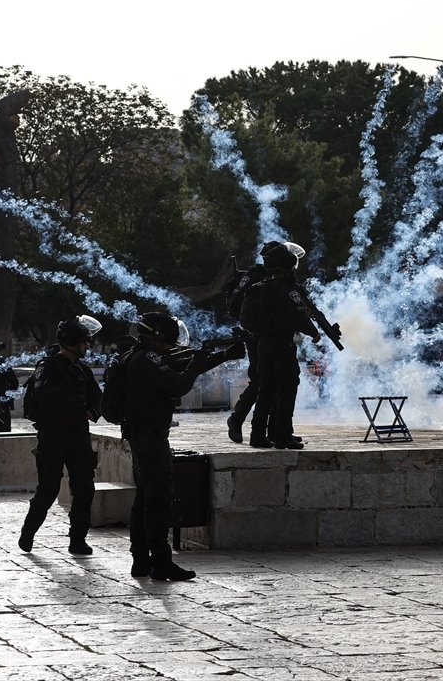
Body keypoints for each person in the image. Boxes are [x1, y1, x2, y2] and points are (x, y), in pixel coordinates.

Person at [122, 311, 242, 581]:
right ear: (161, 336)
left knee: (145, 497)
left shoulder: (139, 356)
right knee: (158, 499)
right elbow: (178, 384)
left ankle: (141, 560)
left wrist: (223, 355)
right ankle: (161, 562)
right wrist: (196, 364)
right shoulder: (148, 358)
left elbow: (186, 366)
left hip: (142, 434)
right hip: (150, 436)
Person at [18, 316, 104, 556]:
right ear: (73, 342)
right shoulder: (48, 368)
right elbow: (45, 401)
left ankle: (77, 540)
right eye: (84, 342)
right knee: (48, 489)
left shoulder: (81, 368)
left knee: (85, 489)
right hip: (53, 437)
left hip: (78, 436)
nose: (87, 347)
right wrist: (66, 381)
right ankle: (28, 531)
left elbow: (97, 396)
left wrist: (93, 410)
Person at [240, 242, 321, 450]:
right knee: (287, 388)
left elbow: (246, 320)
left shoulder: (258, 289)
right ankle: (282, 435)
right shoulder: (289, 290)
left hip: (263, 344)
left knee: (266, 390)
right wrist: (314, 333)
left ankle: (257, 435)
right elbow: (300, 317)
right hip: (281, 345)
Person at [224, 251, 270, 446]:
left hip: (273, 337)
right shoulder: (255, 276)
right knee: (260, 381)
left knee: (273, 382)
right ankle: (237, 419)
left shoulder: (277, 278)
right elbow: (237, 306)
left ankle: (275, 430)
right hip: (256, 336)